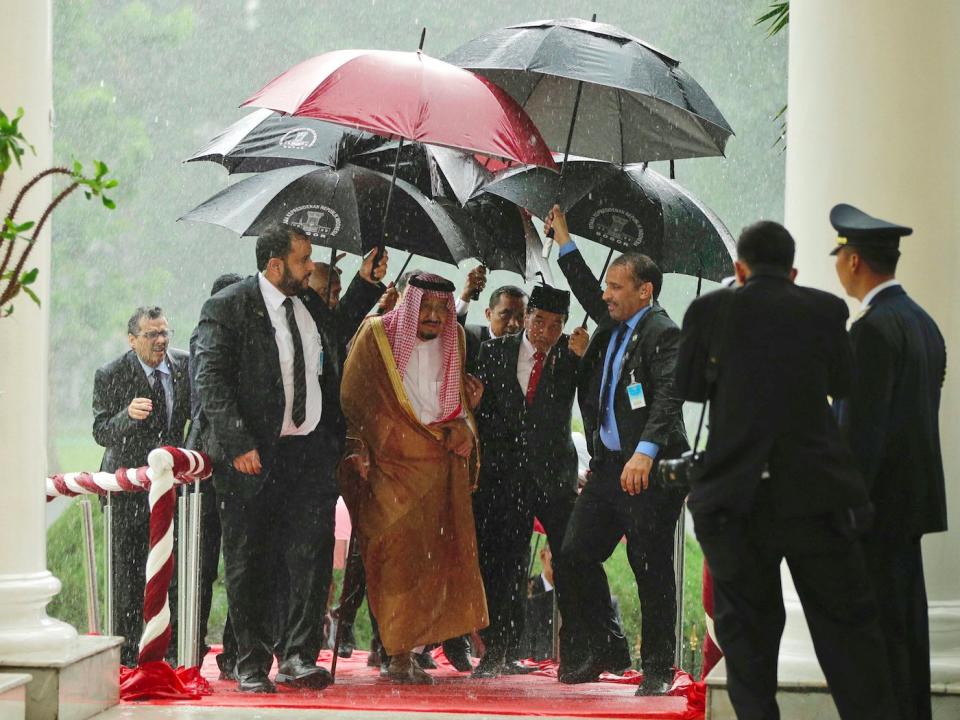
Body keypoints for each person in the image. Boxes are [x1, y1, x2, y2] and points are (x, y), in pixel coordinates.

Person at [675, 219, 898, 719]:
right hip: (815, 497)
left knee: (749, 641)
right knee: (847, 635)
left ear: (740, 267)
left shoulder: (710, 310)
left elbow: (688, 385)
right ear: (793, 272)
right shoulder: (825, 309)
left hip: (736, 501)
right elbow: (842, 384)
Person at [194, 224, 386, 693]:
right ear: (275, 264)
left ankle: (299, 657)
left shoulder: (308, 303)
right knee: (249, 561)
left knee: (311, 556)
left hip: (307, 456)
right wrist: (238, 445)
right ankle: (251, 662)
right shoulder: (229, 306)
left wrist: (365, 283)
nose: (310, 268)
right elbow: (210, 381)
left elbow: (339, 335)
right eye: (303, 261)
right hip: (252, 457)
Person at [545, 206, 687, 694]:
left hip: (650, 470)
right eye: (606, 287)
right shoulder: (613, 325)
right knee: (573, 554)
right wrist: (564, 241)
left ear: (644, 291)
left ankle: (658, 669)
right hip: (608, 470)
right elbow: (587, 288)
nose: (604, 295)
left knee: (649, 567)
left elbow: (669, 397)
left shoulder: (661, 332)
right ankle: (601, 647)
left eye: (616, 287)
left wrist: (644, 452)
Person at [338, 272, 487, 685]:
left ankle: (410, 651)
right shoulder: (376, 335)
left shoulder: (455, 337)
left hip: (439, 463)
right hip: (390, 463)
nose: (436, 316)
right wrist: (362, 449)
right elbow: (354, 398)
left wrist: (465, 428)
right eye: (427, 306)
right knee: (393, 556)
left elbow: (455, 401)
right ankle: (396, 650)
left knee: (434, 558)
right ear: (408, 302)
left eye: (443, 307)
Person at [832, 203, 947, 720]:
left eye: (839, 254)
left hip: (872, 516)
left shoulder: (872, 331)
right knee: (907, 642)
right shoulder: (923, 325)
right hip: (908, 510)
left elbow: (862, 435)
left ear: (855, 261)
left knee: (873, 649)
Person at [470, 284, 591, 678]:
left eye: (556, 325)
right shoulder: (491, 353)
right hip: (503, 478)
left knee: (570, 560)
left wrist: (582, 357)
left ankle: (577, 653)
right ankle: (498, 650)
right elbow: (478, 412)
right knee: (503, 563)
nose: (545, 331)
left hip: (554, 478)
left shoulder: (570, 359)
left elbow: (592, 404)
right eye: (539, 321)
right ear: (527, 318)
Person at [92, 306, 191, 667]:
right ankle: (128, 657)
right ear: (132, 340)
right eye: (151, 335)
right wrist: (126, 416)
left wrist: (185, 459)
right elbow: (101, 431)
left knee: (173, 574)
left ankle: (173, 652)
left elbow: (196, 416)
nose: (161, 341)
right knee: (129, 577)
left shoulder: (185, 366)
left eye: (165, 332)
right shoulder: (111, 374)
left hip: (172, 489)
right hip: (127, 493)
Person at [185, 273, 243, 678]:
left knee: (238, 564)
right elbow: (206, 399)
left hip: (232, 463)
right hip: (208, 464)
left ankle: (232, 653)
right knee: (202, 565)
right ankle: (190, 647)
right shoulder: (206, 339)